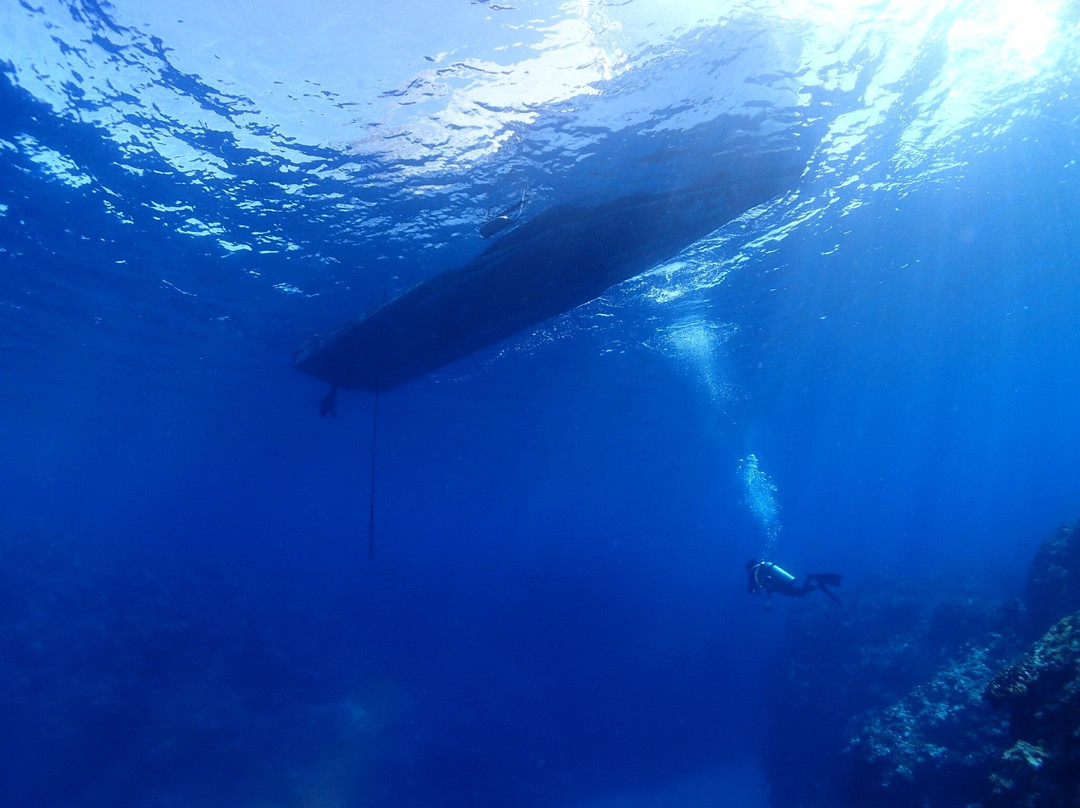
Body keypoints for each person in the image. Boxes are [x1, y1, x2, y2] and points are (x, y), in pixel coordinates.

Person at [746, 559, 842, 609]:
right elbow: (767, 588)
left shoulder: (756, 573)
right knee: (799, 593)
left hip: (782, 586)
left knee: (799, 593)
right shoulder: (761, 570)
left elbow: (751, 590)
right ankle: (816, 584)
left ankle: (813, 580)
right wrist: (768, 602)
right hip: (783, 585)